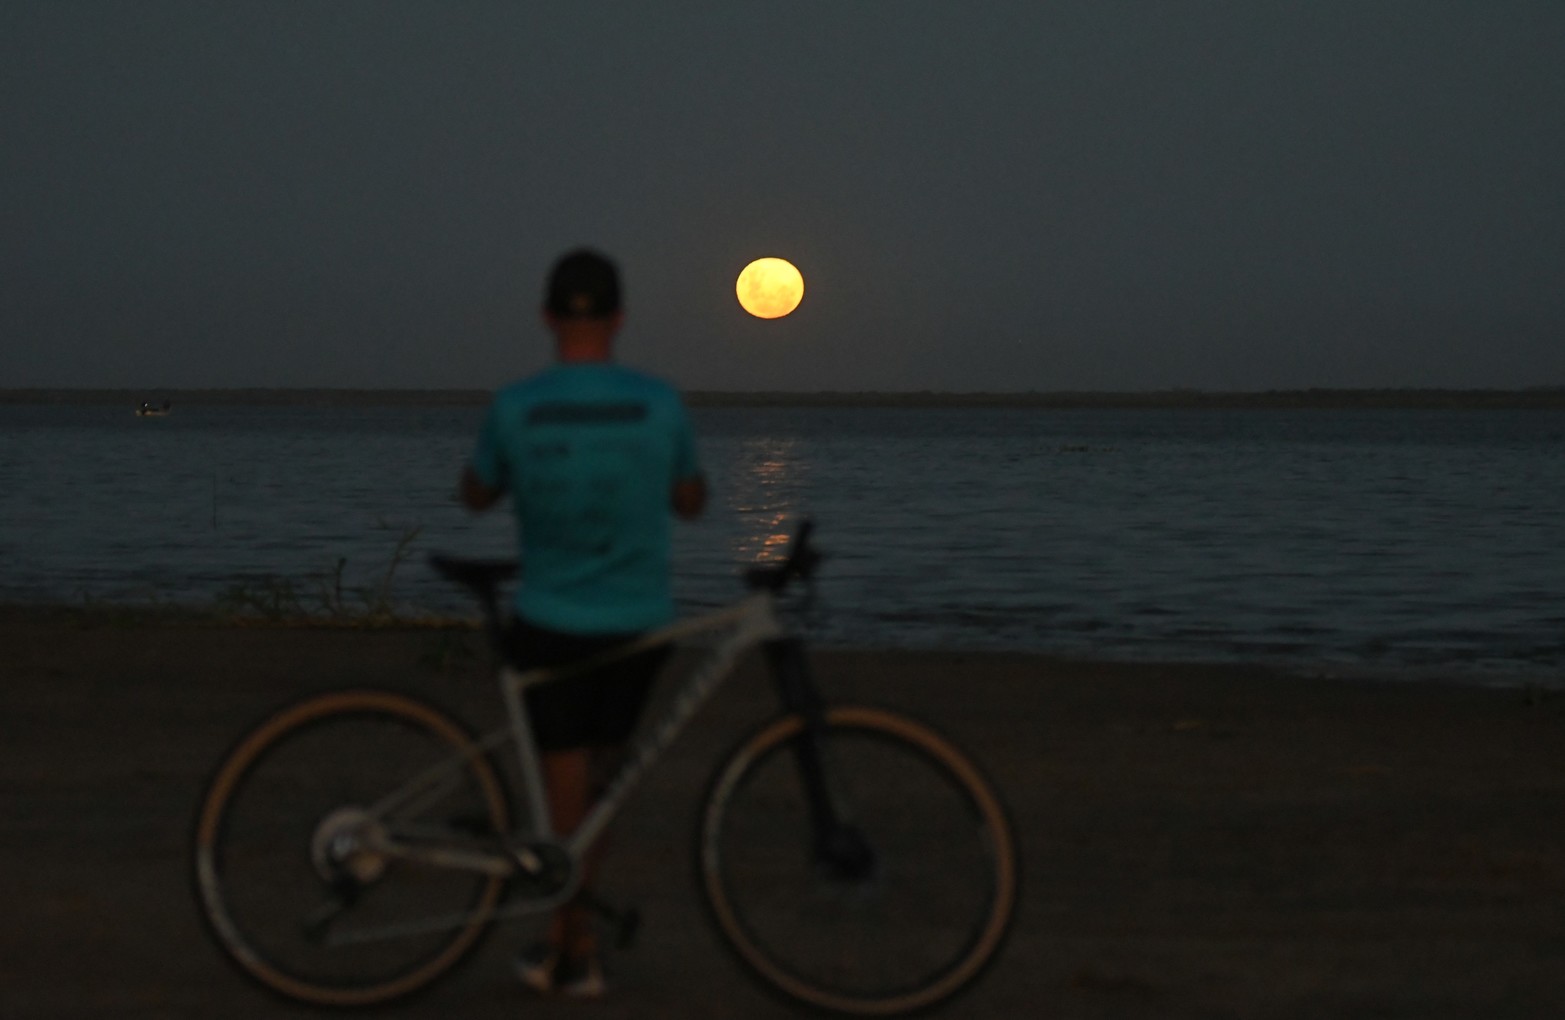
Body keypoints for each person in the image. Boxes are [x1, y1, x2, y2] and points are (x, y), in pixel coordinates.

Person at [459, 248, 706, 998]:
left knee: (570, 788)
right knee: (598, 789)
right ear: (619, 318)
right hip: (637, 623)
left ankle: (570, 942)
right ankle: (574, 943)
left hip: (551, 616)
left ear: (546, 318)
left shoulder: (516, 405)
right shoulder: (658, 404)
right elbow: (691, 501)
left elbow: (475, 495)